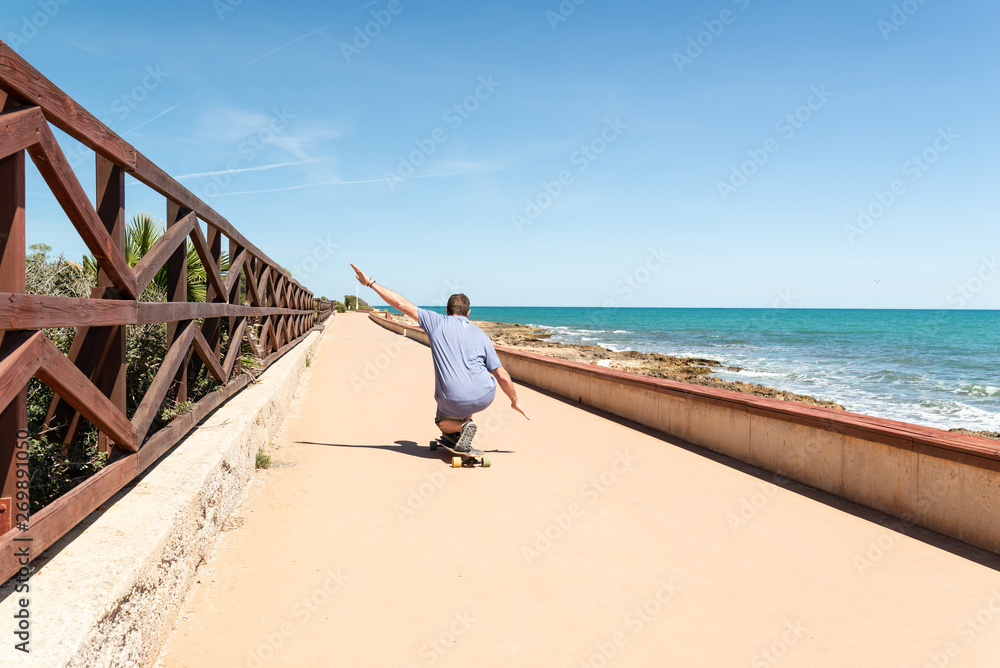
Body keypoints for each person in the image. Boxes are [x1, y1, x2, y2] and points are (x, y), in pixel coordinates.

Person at [350, 263, 529, 451]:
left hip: (453, 397)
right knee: (467, 400)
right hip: (485, 395)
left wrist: (369, 283)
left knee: (442, 419)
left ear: (447, 311)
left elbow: (401, 304)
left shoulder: (436, 322)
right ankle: (462, 430)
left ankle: (463, 427)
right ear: (468, 313)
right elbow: (502, 375)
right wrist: (515, 401)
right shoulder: (482, 335)